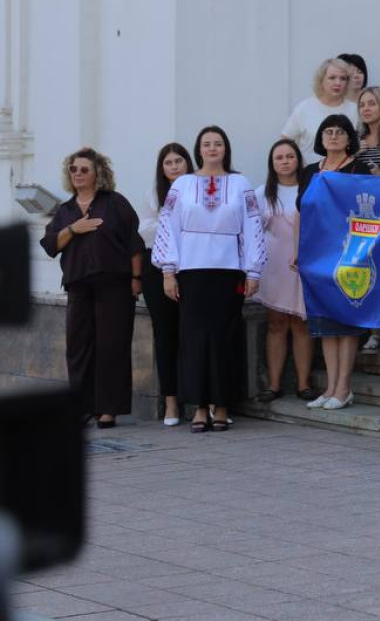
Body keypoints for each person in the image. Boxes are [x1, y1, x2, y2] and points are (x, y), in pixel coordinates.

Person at [153, 126, 266, 434]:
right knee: (194, 339)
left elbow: (253, 225)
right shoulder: (183, 184)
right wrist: (168, 271)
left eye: (218, 143)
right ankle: (200, 406)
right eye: (207, 144)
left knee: (224, 337)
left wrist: (253, 270)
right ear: (199, 149)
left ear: (225, 148)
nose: (212, 148)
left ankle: (222, 405)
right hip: (191, 271)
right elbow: (168, 225)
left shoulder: (241, 183)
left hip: (228, 270)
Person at [41, 148, 142, 429]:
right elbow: (50, 244)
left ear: (98, 173)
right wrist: (74, 228)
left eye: (84, 169)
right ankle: (81, 407)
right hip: (78, 285)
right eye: (73, 169)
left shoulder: (115, 203)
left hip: (115, 284)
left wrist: (136, 278)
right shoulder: (66, 210)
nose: (78, 174)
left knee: (112, 346)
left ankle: (108, 409)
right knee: (78, 347)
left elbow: (134, 243)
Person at [297, 114, 371, 411]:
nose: (334, 136)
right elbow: (301, 211)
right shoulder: (309, 171)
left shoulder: (358, 168)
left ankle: (344, 387)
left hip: (349, 252)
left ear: (349, 137)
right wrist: (298, 249)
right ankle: (330, 387)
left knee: (346, 320)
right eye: (328, 131)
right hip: (317, 252)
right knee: (325, 320)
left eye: (340, 131)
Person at [253, 139, 313, 403]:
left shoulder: (308, 188)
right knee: (276, 323)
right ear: (272, 163)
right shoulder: (262, 193)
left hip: (302, 262)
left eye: (290, 156)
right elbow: (253, 230)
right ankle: (274, 384)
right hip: (274, 263)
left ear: (298, 160)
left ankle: (304, 384)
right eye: (279, 157)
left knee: (301, 323)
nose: (285, 161)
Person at [139, 142, 192, 426]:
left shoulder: (199, 188)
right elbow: (145, 232)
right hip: (157, 269)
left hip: (192, 268)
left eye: (178, 161)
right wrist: (171, 221)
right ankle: (171, 401)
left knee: (194, 334)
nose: (174, 167)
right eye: (168, 162)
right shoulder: (154, 194)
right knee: (165, 334)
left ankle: (199, 399)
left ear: (187, 163)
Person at [282, 58, 357, 162]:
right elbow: (285, 142)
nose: (338, 83)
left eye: (343, 78)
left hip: (345, 171)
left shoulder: (355, 110)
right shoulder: (304, 108)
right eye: (332, 78)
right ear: (321, 80)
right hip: (309, 171)